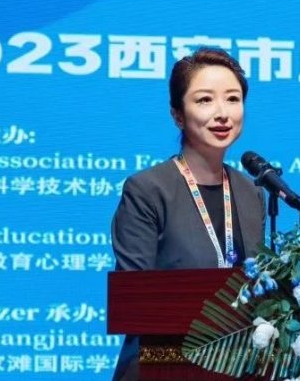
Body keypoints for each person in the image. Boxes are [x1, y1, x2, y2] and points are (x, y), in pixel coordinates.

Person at [110, 47, 265, 381]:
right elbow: (135, 298)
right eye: (205, 100)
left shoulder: (250, 193)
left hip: (236, 366)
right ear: (178, 115)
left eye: (233, 99)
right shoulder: (148, 189)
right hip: (161, 364)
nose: (222, 113)